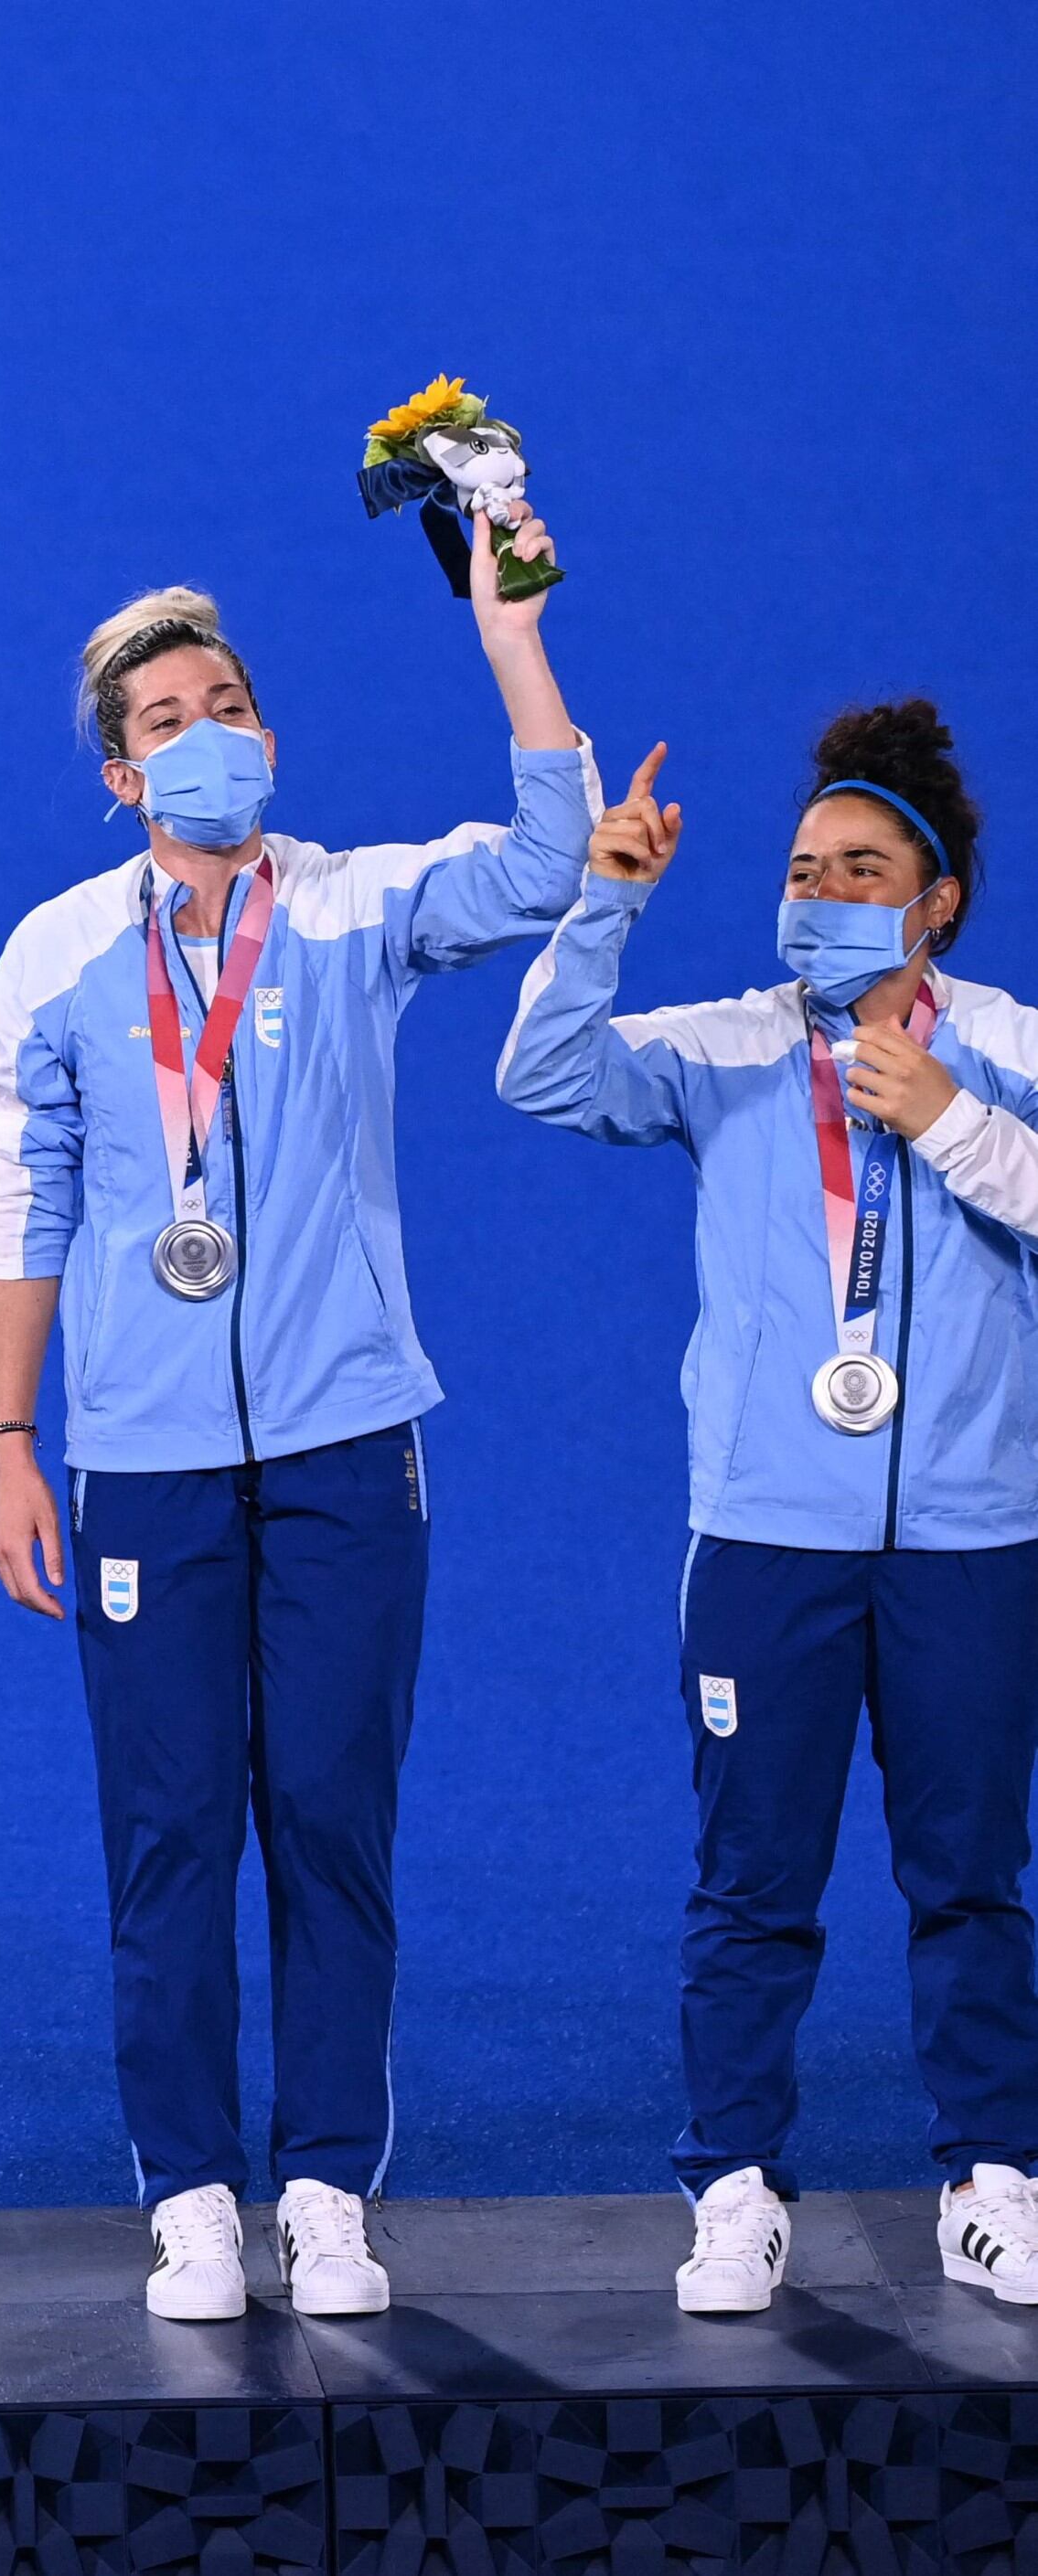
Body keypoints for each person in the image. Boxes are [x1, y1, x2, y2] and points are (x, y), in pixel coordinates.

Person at [0, 528, 591, 2322]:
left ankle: (324, 2185)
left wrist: (511, 637)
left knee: (330, 1816)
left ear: (267, 729)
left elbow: (548, 861)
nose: (205, 731)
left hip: (344, 1447)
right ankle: (190, 2194)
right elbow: (29, 1200)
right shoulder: (57, 955)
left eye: (227, 700)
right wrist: (13, 1441)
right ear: (121, 771)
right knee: (169, 1832)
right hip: (141, 1466)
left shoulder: (350, 906)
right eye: (167, 717)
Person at [498, 704, 1038, 2314]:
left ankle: (993, 2178)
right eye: (805, 869)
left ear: (933, 898)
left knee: (971, 1873)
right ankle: (733, 2182)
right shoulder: (731, 1047)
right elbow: (541, 1074)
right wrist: (605, 900)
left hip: (973, 1539)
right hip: (764, 1542)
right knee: (753, 1882)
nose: (823, 894)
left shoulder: (1009, 1042)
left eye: (862, 869)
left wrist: (945, 1116)